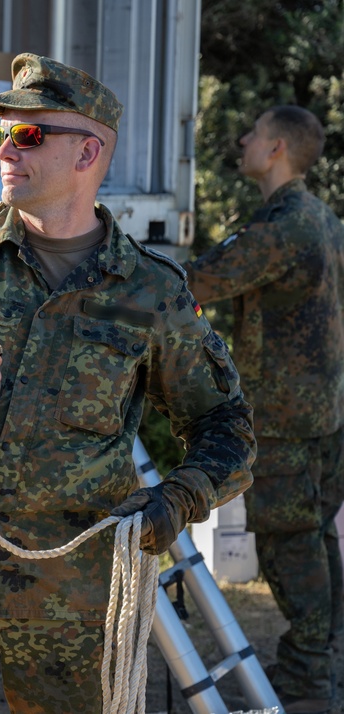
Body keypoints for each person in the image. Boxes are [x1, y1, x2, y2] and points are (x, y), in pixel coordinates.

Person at [0, 52, 256, 713]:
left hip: (69, 598)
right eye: (3, 132)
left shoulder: (149, 291)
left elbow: (228, 428)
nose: (8, 148)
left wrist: (177, 502)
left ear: (88, 152)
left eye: (30, 134)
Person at [183, 105, 344, 714]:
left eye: (252, 133)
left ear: (276, 148)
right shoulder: (322, 217)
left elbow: (200, 281)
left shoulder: (284, 226)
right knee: (313, 538)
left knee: (288, 545)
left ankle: (307, 683)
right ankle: (317, 662)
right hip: (322, 414)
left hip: (284, 421)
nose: (243, 139)